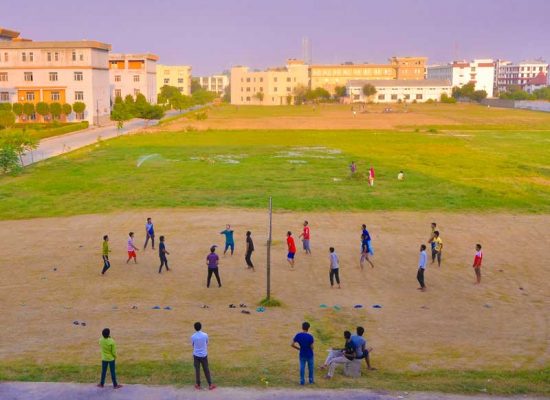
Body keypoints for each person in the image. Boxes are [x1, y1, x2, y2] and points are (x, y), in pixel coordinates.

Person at [191, 322, 216, 391]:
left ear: (194, 328)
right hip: (204, 355)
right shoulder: (205, 335)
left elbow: (193, 345)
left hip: (196, 355)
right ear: (201, 327)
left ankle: (198, 385)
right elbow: (207, 342)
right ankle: (210, 385)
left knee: (197, 370)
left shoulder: (193, 336)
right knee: (206, 370)